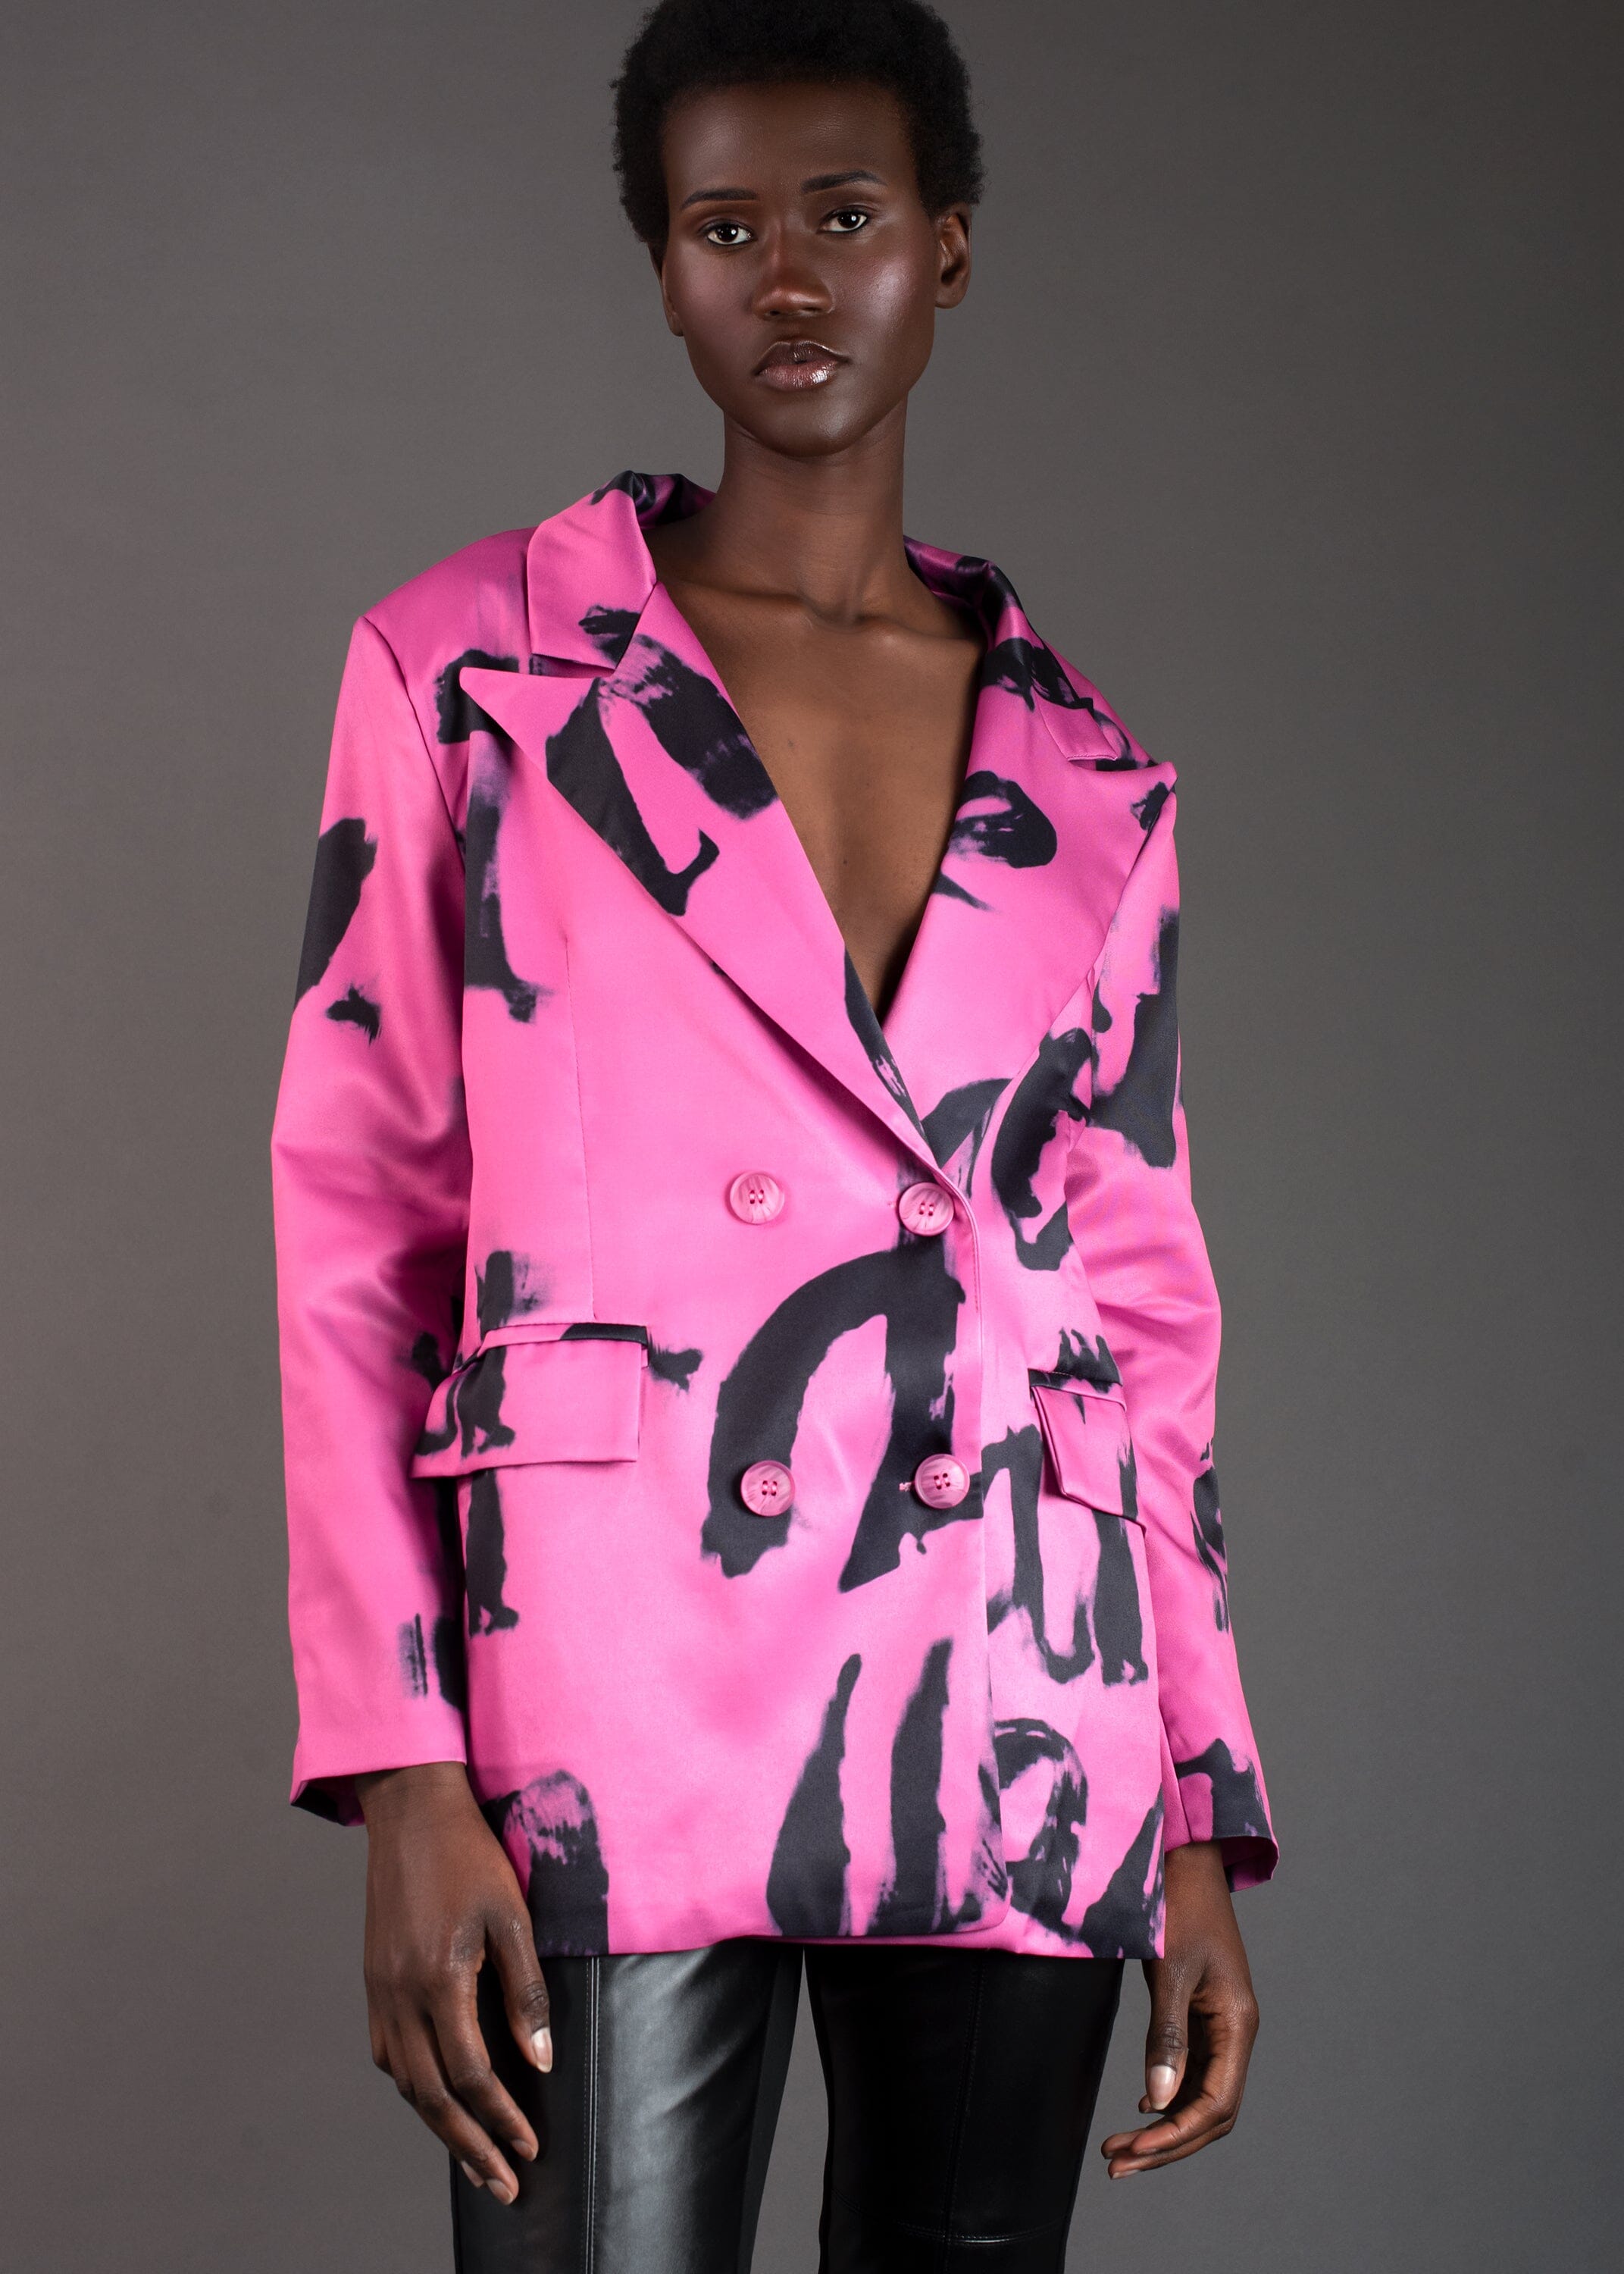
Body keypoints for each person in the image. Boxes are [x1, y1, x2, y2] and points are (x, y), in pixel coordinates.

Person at [271, 2, 1278, 2266]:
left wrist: (1198, 1803)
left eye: (845, 215)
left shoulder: (1092, 772)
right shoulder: (476, 673)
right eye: (726, 227)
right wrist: (404, 1764)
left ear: (948, 247)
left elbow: (1140, 1300)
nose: (791, 279)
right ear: (662, 270)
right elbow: (359, 1225)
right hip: (603, 1678)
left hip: (1019, 1692)